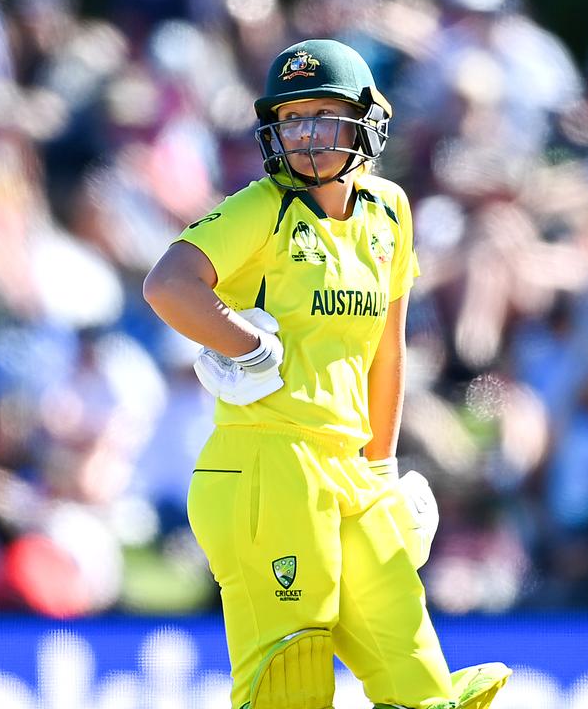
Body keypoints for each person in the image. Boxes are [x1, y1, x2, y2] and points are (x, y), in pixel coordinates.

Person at [143, 39, 510, 709]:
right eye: (292, 119)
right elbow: (168, 285)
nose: (306, 135)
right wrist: (245, 346)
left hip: (351, 470)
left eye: (324, 115)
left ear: (367, 121)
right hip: (266, 466)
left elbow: (388, 351)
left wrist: (382, 467)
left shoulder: (389, 210)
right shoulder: (265, 208)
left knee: (418, 682)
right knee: (290, 682)